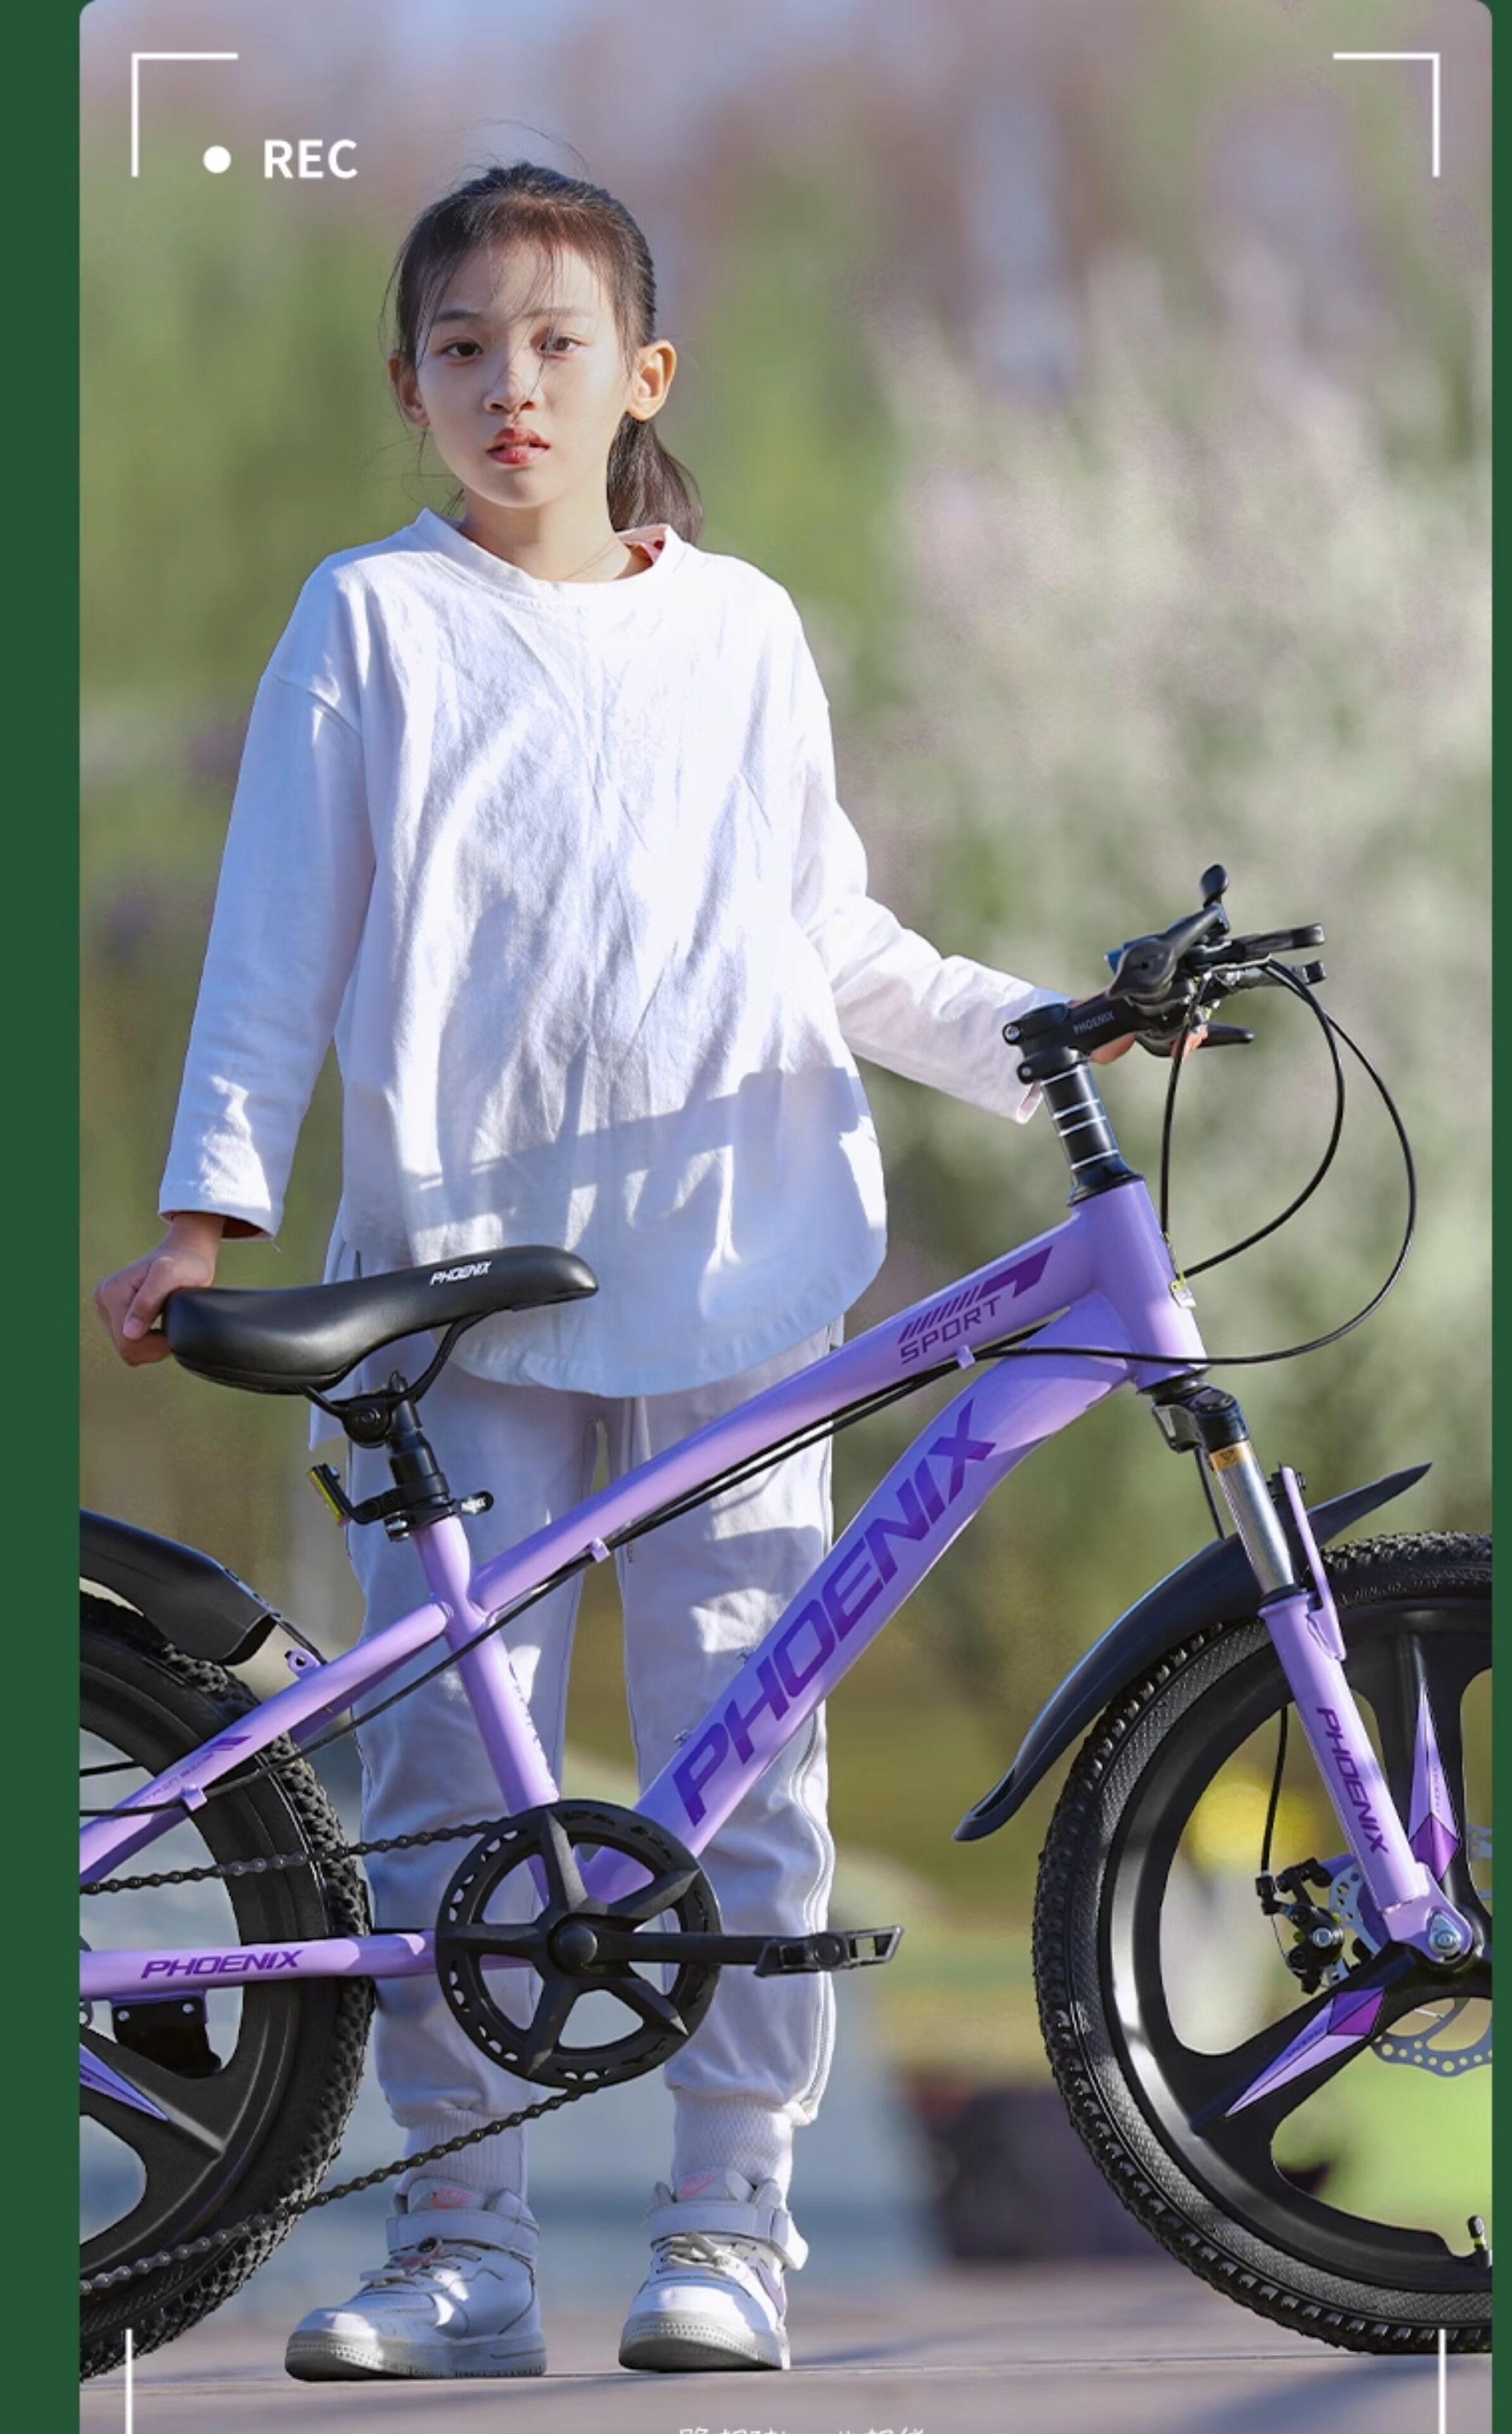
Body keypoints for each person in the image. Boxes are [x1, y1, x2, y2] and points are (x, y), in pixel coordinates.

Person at [93, 159, 1128, 2382]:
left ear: (643, 374)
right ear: (408, 386)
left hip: (733, 1263)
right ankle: (456, 2245)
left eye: (557, 343)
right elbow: (277, 940)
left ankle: (728, 2227)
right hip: (449, 1287)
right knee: (441, 1792)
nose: (513, 385)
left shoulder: (740, 628)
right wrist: (207, 1216)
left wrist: (1042, 1029)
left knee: (742, 1766)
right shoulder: (369, 618)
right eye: (464, 347)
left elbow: (828, 933)